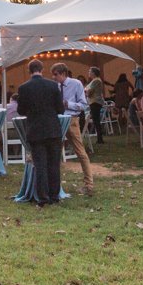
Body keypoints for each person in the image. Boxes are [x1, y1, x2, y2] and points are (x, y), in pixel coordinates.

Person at [17, 60, 64, 207]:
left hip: (35, 130)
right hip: (52, 128)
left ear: (29, 70)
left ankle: (43, 198)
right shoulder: (53, 85)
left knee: (40, 165)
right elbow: (60, 109)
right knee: (54, 164)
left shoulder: (23, 88)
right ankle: (55, 197)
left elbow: (21, 110)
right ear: (42, 69)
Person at [52, 62, 94, 196]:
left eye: (56, 75)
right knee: (55, 152)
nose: (54, 77)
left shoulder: (76, 84)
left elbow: (83, 105)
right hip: (58, 120)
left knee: (80, 151)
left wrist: (68, 104)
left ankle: (89, 184)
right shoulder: (55, 86)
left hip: (72, 119)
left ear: (63, 74)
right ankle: (55, 184)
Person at [85, 67, 108, 144]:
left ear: (94, 73)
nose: (88, 73)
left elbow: (89, 91)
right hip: (94, 101)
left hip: (95, 101)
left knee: (96, 120)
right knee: (96, 120)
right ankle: (99, 138)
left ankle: (100, 138)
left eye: (90, 71)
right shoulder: (94, 81)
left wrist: (86, 92)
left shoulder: (96, 80)